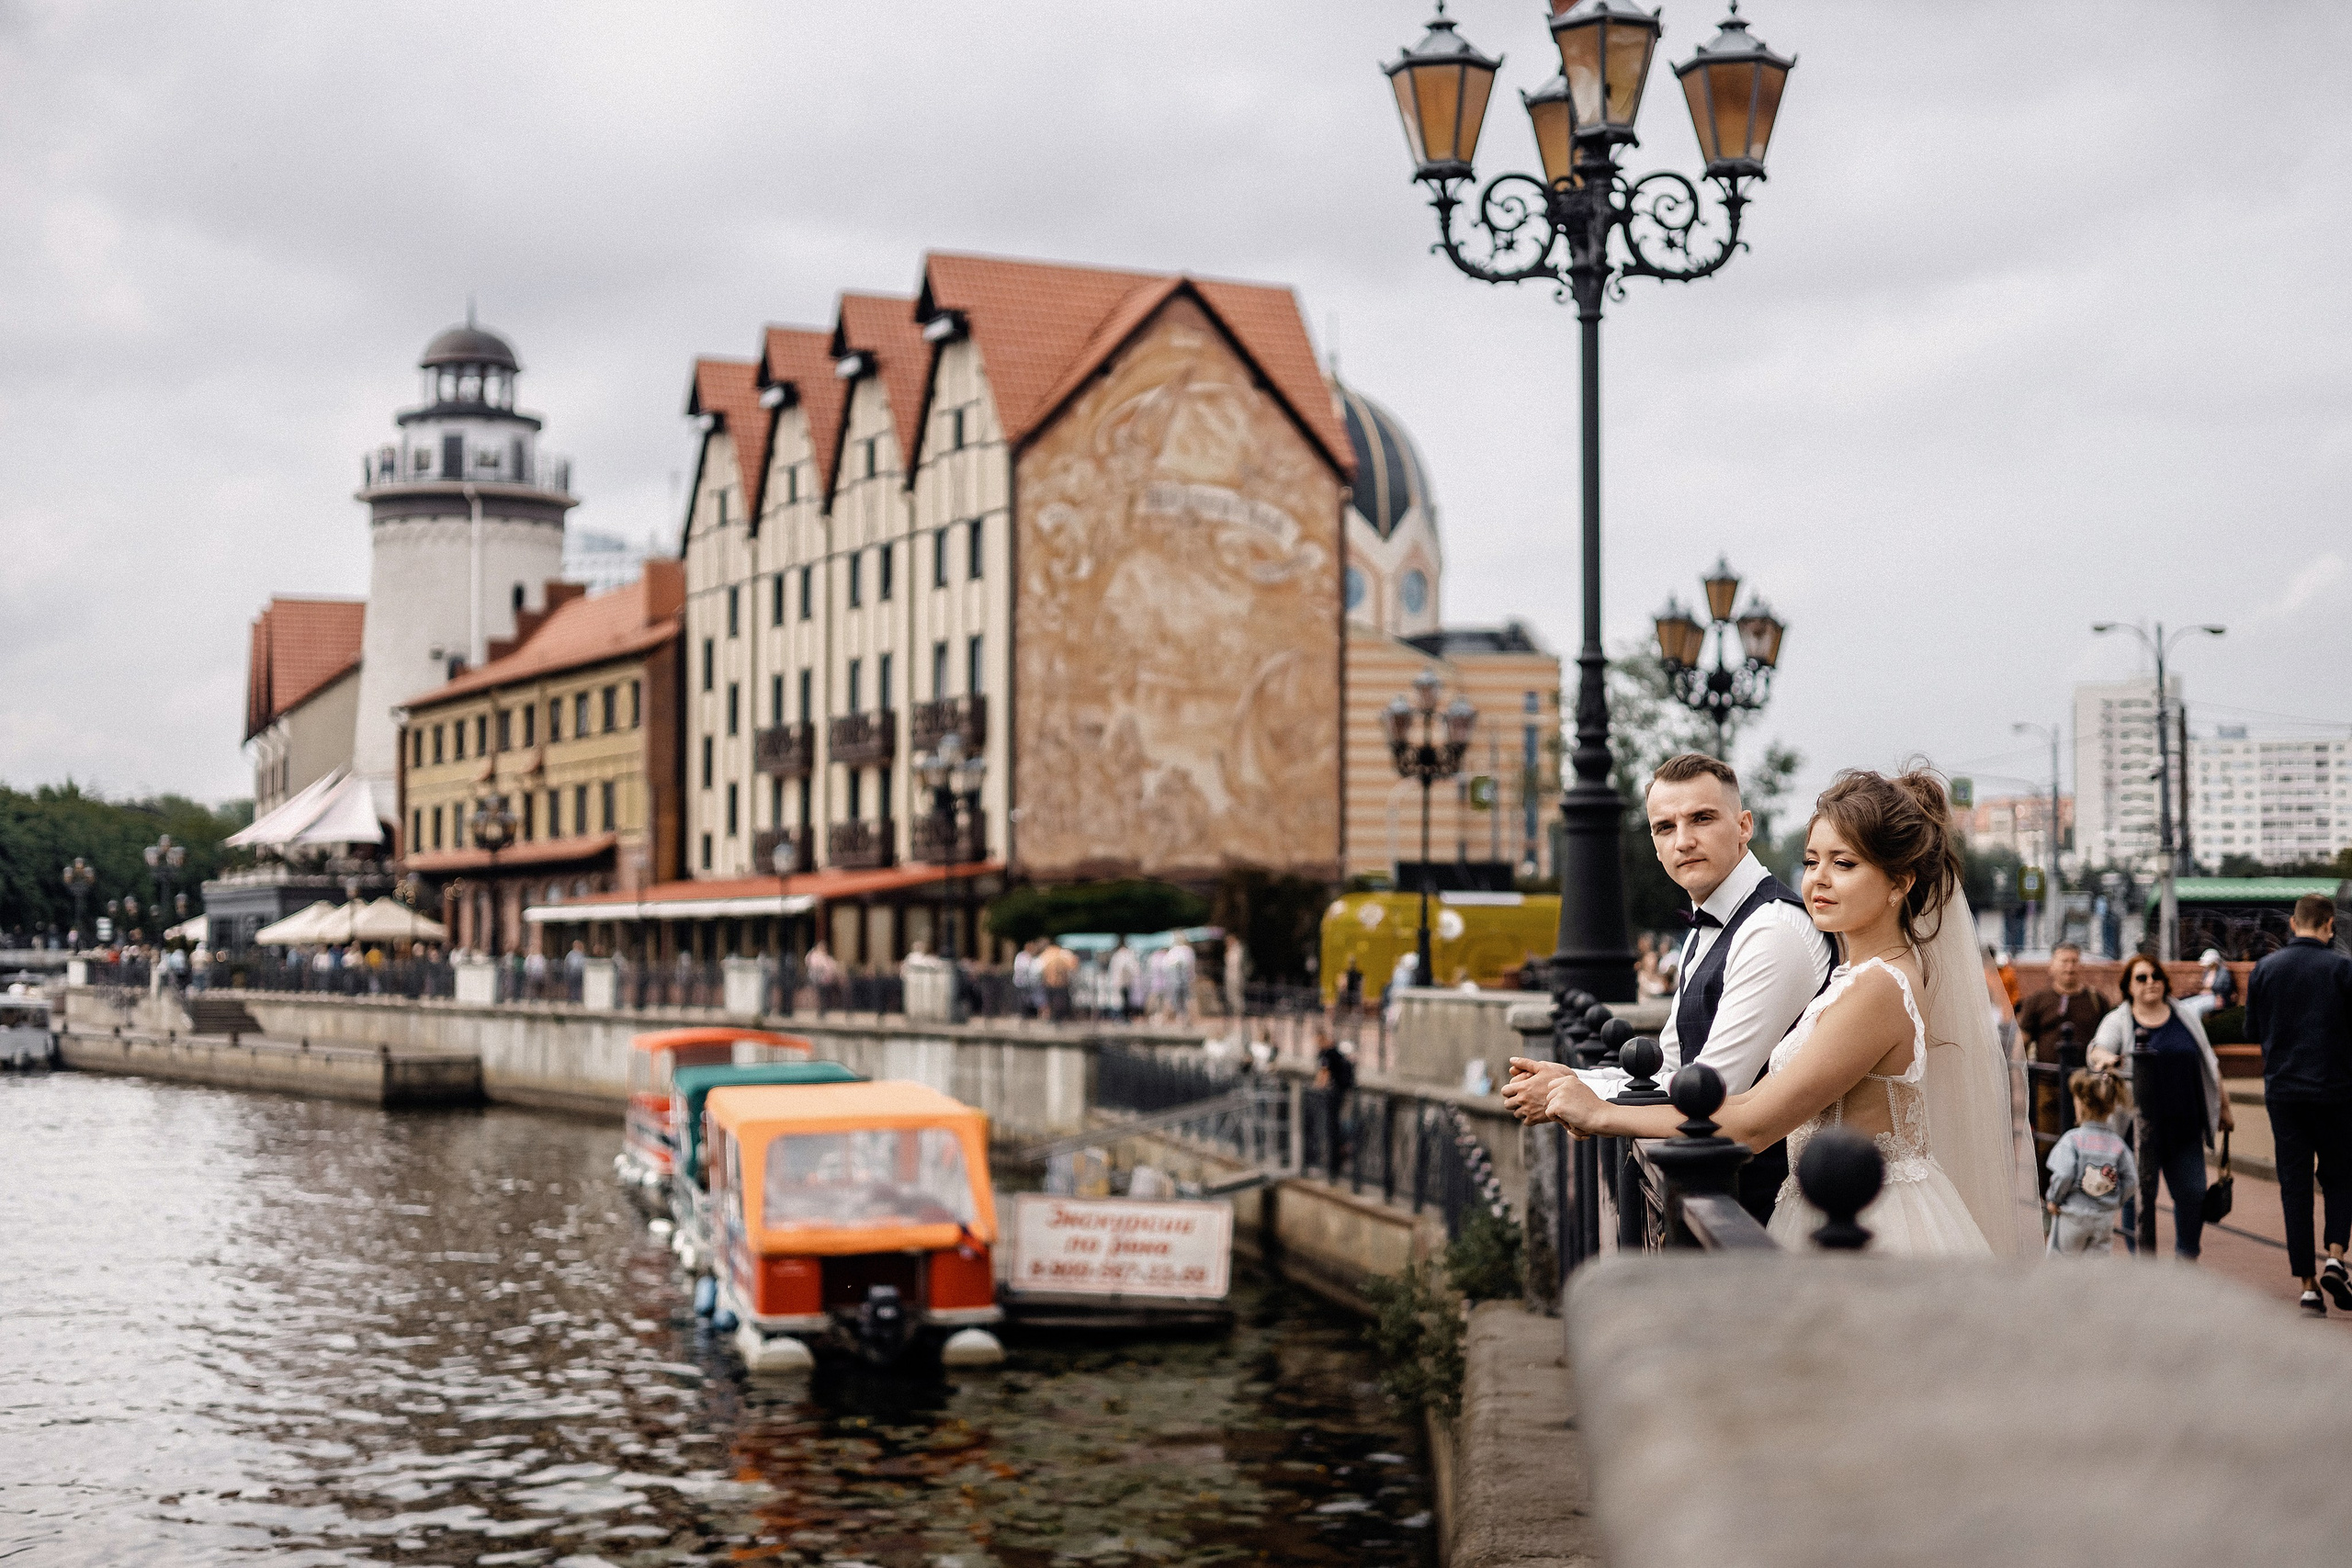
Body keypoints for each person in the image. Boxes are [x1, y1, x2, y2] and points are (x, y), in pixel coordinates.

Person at [1535, 767, 2018, 1257]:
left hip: (1871, 1224)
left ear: (1899, 883)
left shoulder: (1880, 987)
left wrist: (1604, 1113)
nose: (1819, 879)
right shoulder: (1859, 975)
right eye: (1811, 861)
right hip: (1827, 1207)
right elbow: (1731, 1096)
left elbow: (1753, 1123)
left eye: (1844, 863)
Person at [1506, 752, 1832, 1224]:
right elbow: (1673, 1071)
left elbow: (1708, 1095)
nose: (1683, 841)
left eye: (1701, 818)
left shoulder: (1772, 932)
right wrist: (1572, 1082)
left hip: (1757, 1216)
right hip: (1715, 1204)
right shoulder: (1708, 927)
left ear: (1744, 826)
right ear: (1655, 845)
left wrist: (1589, 1103)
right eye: (1664, 827)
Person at [2246, 894, 2352, 1315]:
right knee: (2341, 1177)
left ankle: (2308, 1287)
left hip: (2284, 1092)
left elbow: (2252, 1030)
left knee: (2295, 1184)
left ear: (2293, 923)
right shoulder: (2342, 969)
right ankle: (2335, 1257)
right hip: (2336, 1092)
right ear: (2329, 925)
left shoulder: (2265, 969)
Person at [2087, 953, 2230, 1263]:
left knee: (2193, 1194)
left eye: (2156, 976)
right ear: (2129, 986)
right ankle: (2143, 1266)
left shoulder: (2184, 1015)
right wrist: (2107, 1059)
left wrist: (2225, 1108)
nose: (2150, 982)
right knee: (2138, 1198)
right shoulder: (2119, 1019)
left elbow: (2209, 1060)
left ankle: (2186, 1259)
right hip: (2138, 1132)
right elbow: (2097, 1049)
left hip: (2185, 1127)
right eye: (2141, 978)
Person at [2016, 942, 2114, 1197]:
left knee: (2087, 1144)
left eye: (2074, 961)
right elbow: (2021, 1042)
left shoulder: (2096, 1001)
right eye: (2064, 961)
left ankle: (2083, 1197)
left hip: (2087, 1088)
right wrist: (2015, 1077)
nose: (2070, 967)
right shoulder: (2037, 1001)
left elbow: (2109, 1039)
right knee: (2047, 1145)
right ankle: (2047, 1199)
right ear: (2052, 966)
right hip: (2047, 1086)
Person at [2044, 1068, 2137, 1257]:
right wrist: (2114, 1201)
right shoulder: (2117, 1145)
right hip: (2103, 1219)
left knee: (2062, 1263)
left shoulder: (2072, 1140)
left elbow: (2064, 1174)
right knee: (2095, 1269)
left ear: (2081, 1105)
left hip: (2072, 1215)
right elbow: (2132, 1181)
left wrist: (2054, 1199)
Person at [1313, 1024, 1357, 1179]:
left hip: (1334, 1095)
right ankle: (1338, 1159)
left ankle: (1334, 1165)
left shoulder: (1326, 1054)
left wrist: (1316, 1087)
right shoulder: (1336, 1051)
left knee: (1333, 1128)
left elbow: (1323, 1074)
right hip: (1342, 1093)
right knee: (1338, 1125)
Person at [2179, 948, 2237, 1023]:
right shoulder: (2207, 971)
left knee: (2197, 1009)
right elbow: (2204, 985)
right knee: (2185, 1004)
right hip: (2205, 995)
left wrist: (2218, 995)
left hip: (2216, 997)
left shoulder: (2223, 972)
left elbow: (2225, 988)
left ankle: (2197, 1026)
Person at [1106, 938, 1142, 1021]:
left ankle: (1124, 1017)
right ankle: (1123, 1017)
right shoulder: (1123, 955)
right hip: (1123, 982)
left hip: (1125, 982)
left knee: (1124, 1000)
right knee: (1122, 1000)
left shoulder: (1120, 955)